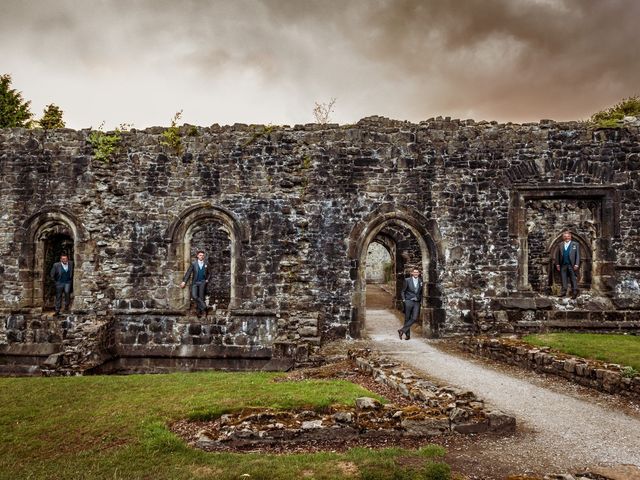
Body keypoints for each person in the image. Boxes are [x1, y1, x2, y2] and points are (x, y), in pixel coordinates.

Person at [180, 250, 210, 316]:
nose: (201, 256)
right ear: (197, 256)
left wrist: (207, 280)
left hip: (202, 282)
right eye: (200, 255)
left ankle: (200, 312)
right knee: (194, 296)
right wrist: (184, 281)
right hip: (195, 282)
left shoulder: (206, 264)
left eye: (202, 255)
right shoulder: (194, 264)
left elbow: (209, 273)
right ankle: (204, 306)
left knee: (201, 297)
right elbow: (188, 272)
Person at [398, 267, 423, 340]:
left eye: (417, 272)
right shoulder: (407, 280)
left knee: (414, 318)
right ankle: (407, 335)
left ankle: (401, 330)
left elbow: (421, 292)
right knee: (407, 318)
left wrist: (420, 299)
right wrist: (404, 300)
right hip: (408, 301)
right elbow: (403, 291)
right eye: (414, 272)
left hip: (417, 302)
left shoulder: (421, 281)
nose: (416, 273)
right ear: (412, 273)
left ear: (419, 273)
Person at [555, 230, 580, 299]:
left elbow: (578, 255)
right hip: (563, 264)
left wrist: (577, 264)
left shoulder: (575, 244)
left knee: (573, 278)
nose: (567, 237)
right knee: (563, 278)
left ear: (570, 237)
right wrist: (557, 264)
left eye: (568, 236)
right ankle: (563, 291)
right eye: (565, 236)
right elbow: (557, 255)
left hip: (572, 265)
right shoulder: (560, 244)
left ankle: (575, 291)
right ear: (563, 237)